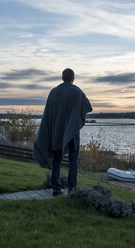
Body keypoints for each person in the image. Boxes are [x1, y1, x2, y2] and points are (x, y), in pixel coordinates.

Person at [33, 68, 92, 196]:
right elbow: (85, 109)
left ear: (62, 78)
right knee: (73, 160)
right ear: (73, 78)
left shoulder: (53, 92)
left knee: (57, 160)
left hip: (57, 132)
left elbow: (48, 115)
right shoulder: (78, 92)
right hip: (72, 132)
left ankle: (56, 189)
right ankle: (72, 190)